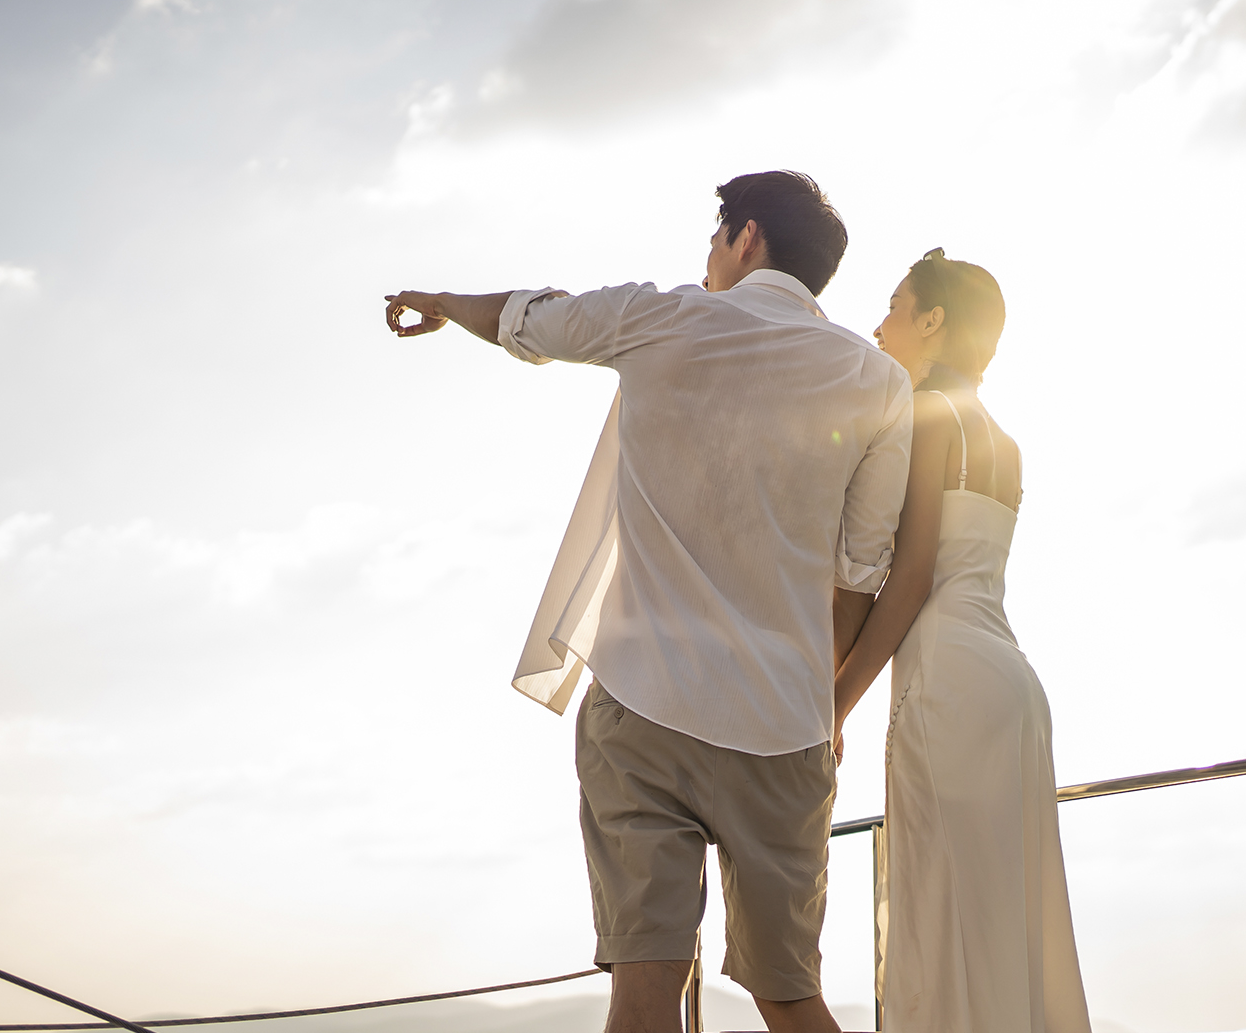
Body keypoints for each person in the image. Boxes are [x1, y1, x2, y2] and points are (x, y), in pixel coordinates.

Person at [382, 172, 913, 1033]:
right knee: (789, 994)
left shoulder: (662, 317)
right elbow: (861, 571)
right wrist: (822, 704)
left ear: (745, 238)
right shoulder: (880, 382)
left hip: (643, 708)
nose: (707, 258)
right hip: (783, 727)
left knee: (644, 991)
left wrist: (444, 301)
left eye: (714, 240)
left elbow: (531, 319)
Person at [833, 249, 1092, 1032]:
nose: (880, 324)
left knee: (943, 912)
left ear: (935, 322)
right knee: (1006, 922)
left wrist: (832, 705)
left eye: (896, 305)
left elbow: (907, 583)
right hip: (1010, 684)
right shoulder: (1004, 441)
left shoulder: (925, 417)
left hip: (946, 681)